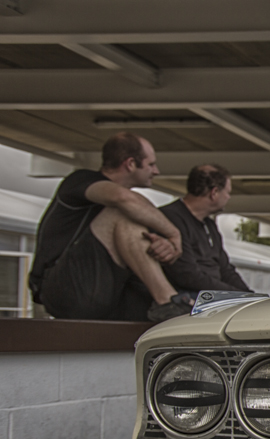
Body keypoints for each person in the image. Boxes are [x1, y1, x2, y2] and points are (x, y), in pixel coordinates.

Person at [29, 133, 193, 322]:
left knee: (190, 308)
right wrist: (173, 233)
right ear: (131, 164)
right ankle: (167, 302)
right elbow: (123, 199)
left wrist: (162, 246)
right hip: (64, 289)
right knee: (122, 211)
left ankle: (174, 306)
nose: (156, 171)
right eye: (151, 164)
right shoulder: (80, 180)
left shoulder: (135, 213)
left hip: (108, 291)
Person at [159, 164, 251, 297]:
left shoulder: (210, 225)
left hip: (210, 297)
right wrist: (235, 295)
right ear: (214, 193)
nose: (228, 198)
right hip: (188, 301)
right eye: (227, 192)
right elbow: (186, 274)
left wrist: (249, 296)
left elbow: (226, 269)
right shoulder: (171, 218)